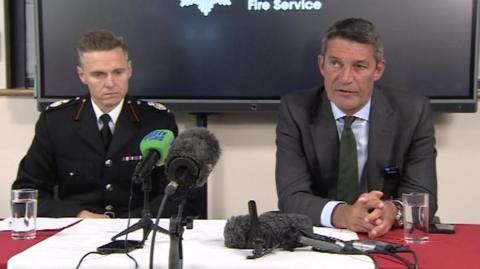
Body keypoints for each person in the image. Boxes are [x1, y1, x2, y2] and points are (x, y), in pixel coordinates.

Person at [275, 18, 437, 238]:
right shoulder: (295, 110)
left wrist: (392, 211)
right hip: (322, 236)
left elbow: (423, 195)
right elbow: (291, 196)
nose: (345, 78)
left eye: (359, 66)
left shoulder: (413, 112)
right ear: (321, 65)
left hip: (385, 235)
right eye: (335, 64)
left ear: (378, 70)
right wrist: (343, 214)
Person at [12, 30, 197, 218]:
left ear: (130, 69)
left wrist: (127, 223)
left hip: (138, 232)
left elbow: (177, 193)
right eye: (98, 75)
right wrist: (78, 214)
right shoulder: (56, 122)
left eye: (118, 72)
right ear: (82, 75)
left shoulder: (157, 121)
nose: (110, 83)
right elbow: (27, 192)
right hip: (77, 233)